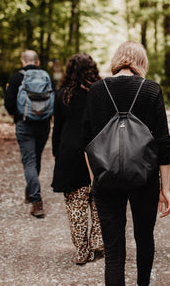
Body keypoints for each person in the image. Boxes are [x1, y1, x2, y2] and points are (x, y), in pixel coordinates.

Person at [83, 41, 170, 285]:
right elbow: (164, 144)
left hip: (106, 179)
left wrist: (95, 179)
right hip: (144, 180)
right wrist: (164, 188)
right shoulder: (151, 90)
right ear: (141, 62)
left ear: (118, 59)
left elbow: (87, 140)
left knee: (113, 250)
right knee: (144, 239)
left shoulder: (97, 90)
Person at [51, 53, 104, 265]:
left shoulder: (62, 94)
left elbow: (57, 128)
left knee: (76, 207)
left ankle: (82, 250)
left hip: (70, 154)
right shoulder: (99, 93)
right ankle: (98, 240)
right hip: (97, 152)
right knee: (100, 201)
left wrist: (57, 151)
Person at [4, 50, 53, 218]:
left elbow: (8, 103)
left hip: (24, 124)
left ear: (22, 61)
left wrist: (16, 115)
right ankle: (31, 191)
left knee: (29, 161)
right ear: (37, 62)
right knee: (36, 158)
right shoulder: (47, 76)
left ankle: (36, 202)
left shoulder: (16, 77)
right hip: (44, 124)